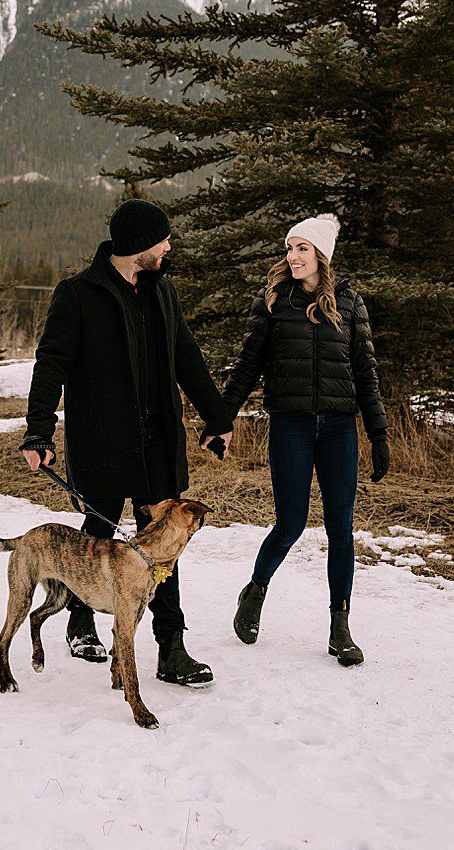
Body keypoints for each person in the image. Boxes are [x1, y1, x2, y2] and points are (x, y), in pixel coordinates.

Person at [20, 199, 231, 687]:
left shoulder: (163, 293)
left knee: (162, 545)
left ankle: (171, 648)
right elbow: (51, 363)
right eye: (163, 240)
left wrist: (217, 419)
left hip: (157, 439)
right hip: (102, 440)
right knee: (97, 531)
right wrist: (38, 431)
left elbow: (187, 358)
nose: (169, 247)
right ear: (138, 246)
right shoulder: (77, 295)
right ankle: (80, 618)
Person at [223, 214, 388, 666]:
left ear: (321, 255)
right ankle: (255, 592)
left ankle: (340, 626)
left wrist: (378, 434)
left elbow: (365, 373)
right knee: (291, 523)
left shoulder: (349, 304)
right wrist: (222, 416)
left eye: (302, 248)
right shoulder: (274, 301)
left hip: (338, 428)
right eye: (290, 248)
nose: (293, 256)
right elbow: (247, 365)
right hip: (291, 425)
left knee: (341, 528)